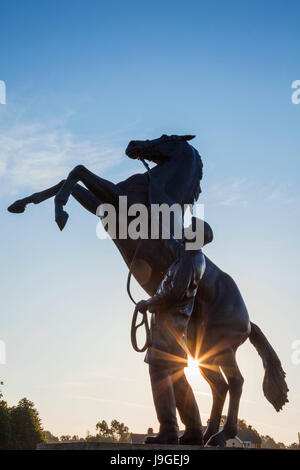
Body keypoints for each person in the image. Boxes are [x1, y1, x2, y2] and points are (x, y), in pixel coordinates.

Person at [136, 218, 213, 445]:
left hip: (167, 329)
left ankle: (168, 428)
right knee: (178, 381)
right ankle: (194, 430)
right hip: (176, 330)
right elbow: (170, 241)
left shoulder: (188, 261)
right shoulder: (191, 256)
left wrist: (148, 303)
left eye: (189, 229)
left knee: (159, 374)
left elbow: (174, 293)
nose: (185, 231)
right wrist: (152, 225)